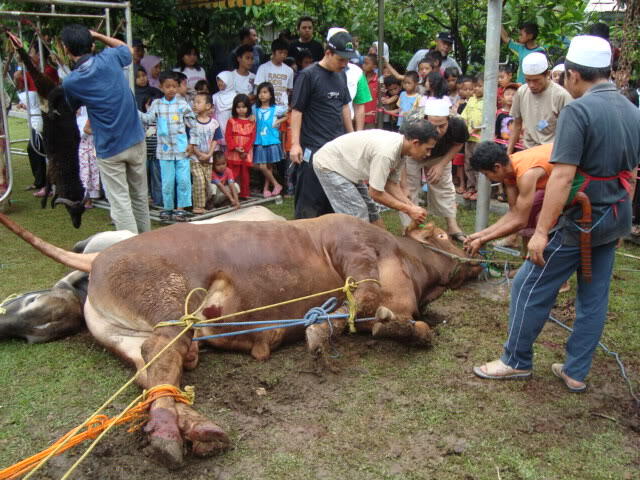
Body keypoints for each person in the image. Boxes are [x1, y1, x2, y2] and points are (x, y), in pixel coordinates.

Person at [472, 35, 640, 393]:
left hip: (583, 217)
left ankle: (515, 360)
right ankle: (576, 371)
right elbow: (633, 173)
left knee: (526, 285)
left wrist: (541, 231)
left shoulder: (579, 111)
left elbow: (562, 177)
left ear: (574, 75)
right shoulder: (631, 109)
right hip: (616, 216)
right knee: (593, 297)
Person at [61, 24, 150, 234]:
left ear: (66, 49)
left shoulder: (71, 82)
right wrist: (99, 35)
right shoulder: (110, 58)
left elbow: (73, 107)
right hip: (135, 139)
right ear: (92, 44)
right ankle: (148, 246)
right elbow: (128, 50)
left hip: (109, 148)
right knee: (139, 196)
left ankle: (131, 251)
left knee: (120, 201)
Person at [314, 120, 439, 225]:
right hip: (330, 165)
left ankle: (383, 250)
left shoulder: (403, 150)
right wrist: (408, 209)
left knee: (371, 211)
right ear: (416, 143)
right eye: (427, 149)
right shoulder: (386, 153)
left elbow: (390, 183)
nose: (428, 154)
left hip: (349, 167)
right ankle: (355, 252)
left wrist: (411, 206)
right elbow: (375, 193)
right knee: (357, 215)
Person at [290, 27, 356, 219]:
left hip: (336, 149)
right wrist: (295, 144)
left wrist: (352, 138)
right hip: (313, 150)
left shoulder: (341, 74)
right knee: (309, 206)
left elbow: (344, 107)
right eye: (341, 59)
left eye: (347, 59)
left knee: (333, 203)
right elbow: (297, 110)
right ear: (328, 53)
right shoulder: (308, 75)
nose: (344, 64)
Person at [399, 98, 469, 241]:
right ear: (425, 119)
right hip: (412, 155)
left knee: (444, 187)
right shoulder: (411, 123)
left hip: (440, 155)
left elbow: (458, 143)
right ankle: (409, 228)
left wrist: (441, 164)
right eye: (433, 125)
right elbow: (401, 153)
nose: (437, 131)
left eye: (442, 126)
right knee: (409, 189)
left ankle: (452, 226)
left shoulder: (458, 124)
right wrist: (404, 184)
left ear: (448, 120)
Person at [140, 71, 196, 221]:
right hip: (164, 151)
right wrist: (135, 113)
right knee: (167, 181)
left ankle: (181, 209)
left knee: (183, 180)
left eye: (174, 86)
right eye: (167, 86)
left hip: (182, 150)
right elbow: (148, 118)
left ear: (178, 87)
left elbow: (193, 124)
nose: (171, 89)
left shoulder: (182, 104)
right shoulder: (157, 104)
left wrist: (192, 144)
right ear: (161, 87)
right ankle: (168, 208)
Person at [507, 52, 573, 155]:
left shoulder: (561, 96)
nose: (531, 85)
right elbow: (517, 125)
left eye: (536, 80)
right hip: (527, 151)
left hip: (550, 154)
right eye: (528, 80)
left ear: (547, 74)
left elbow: (569, 132)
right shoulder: (521, 92)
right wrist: (509, 153)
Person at [190, 93, 223, 214]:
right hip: (195, 157)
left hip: (209, 158)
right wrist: (198, 153)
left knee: (207, 183)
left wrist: (209, 154)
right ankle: (197, 206)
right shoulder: (192, 122)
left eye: (198, 102)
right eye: (194, 102)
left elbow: (215, 139)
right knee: (199, 179)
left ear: (208, 106)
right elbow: (190, 140)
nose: (195, 104)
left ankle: (206, 202)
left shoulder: (214, 123)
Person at [253, 82, 287, 197]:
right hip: (260, 140)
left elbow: (288, 114)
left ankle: (266, 188)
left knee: (268, 166)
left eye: (265, 92)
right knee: (263, 166)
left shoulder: (276, 109)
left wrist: (278, 121)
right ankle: (276, 184)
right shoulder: (255, 109)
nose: (262, 95)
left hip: (271, 140)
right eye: (260, 93)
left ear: (271, 94)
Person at [225, 93, 256, 199]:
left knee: (245, 174)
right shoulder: (231, 121)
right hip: (234, 152)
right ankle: (231, 194)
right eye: (238, 107)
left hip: (246, 152)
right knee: (232, 173)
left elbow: (252, 137)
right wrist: (235, 147)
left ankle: (244, 193)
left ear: (248, 107)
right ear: (235, 108)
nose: (241, 109)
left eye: (244, 107)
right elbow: (228, 136)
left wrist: (245, 150)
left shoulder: (252, 122)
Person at [460, 74, 484, 200]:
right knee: (468, 163)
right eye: (475, 86)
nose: (476, 89)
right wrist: (465, 130)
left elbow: (485, 121)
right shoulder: (471, 99)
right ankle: (471, 187)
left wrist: (473, 129)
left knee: (479, 164)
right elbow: (464, 116)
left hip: (480, 139)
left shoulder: (488, 102)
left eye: (480, 86)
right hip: (469, 138)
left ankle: (481, 190)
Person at [255, 39, 295, 107]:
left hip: (282, 107)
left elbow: (289, 90)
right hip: (267, 107)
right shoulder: (263, 68)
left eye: (285, 53)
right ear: (273, 52)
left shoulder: (289, 70)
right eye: (280, 52)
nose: (283, 55)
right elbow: (258, 88)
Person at [76, 109, 100, 209]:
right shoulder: (79, 119)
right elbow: (82, 133)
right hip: (84, 148)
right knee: (86, 173)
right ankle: (87, 198)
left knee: (94, 171)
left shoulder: (88, 118)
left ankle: (94, 195)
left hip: (93, 147)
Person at [212, 71, 236, 147]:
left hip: (231, 123)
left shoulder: (236, 95)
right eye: (218, 80)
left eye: (222, 80)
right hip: (219, 124)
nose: (219, 83)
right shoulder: (215, 96)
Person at [362, 54, 379, 129]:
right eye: (363, 63)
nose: (363, 65)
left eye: (366, 63)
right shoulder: (359, 78)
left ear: (374, 66)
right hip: (358, 116)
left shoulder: (378, 80)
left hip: (371, 118)